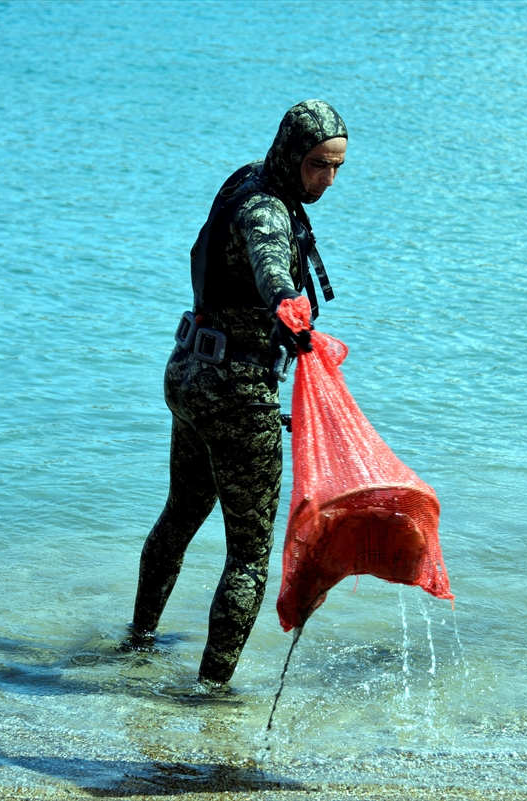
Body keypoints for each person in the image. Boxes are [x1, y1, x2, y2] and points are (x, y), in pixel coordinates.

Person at [128, 100, 348, 685]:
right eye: (318, 165)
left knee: (181, 513)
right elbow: (268, 258)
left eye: (336, 168)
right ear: (292, 154)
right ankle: (211, 693)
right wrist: (284, 302)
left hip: (189, 373)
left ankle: (135, 643)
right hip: (235, 391)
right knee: (249, 555)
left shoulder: (247, 177)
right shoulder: (267, 213)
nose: (326, 179)